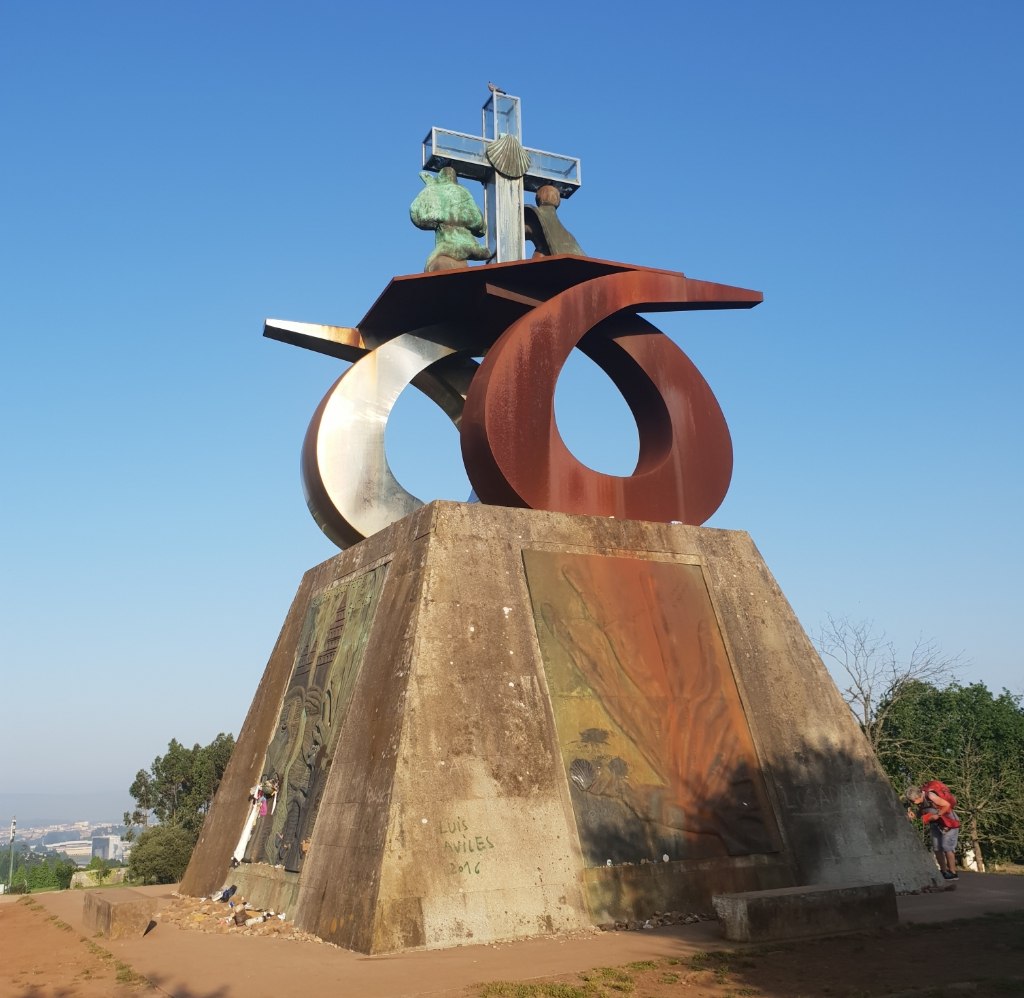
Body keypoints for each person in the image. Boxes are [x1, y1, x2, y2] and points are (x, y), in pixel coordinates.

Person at [906, 783, 960, 880]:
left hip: (949, 823)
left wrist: (938, 815)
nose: (914, 803)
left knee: (947, 847)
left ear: (918, 796)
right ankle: (944, 871)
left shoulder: (930, 796)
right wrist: (914, 816)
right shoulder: (920, 802)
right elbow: (922, 812)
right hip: (935, 824)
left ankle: (953, 872)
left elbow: (946, 805)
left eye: (914, 800)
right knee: (936, 848)